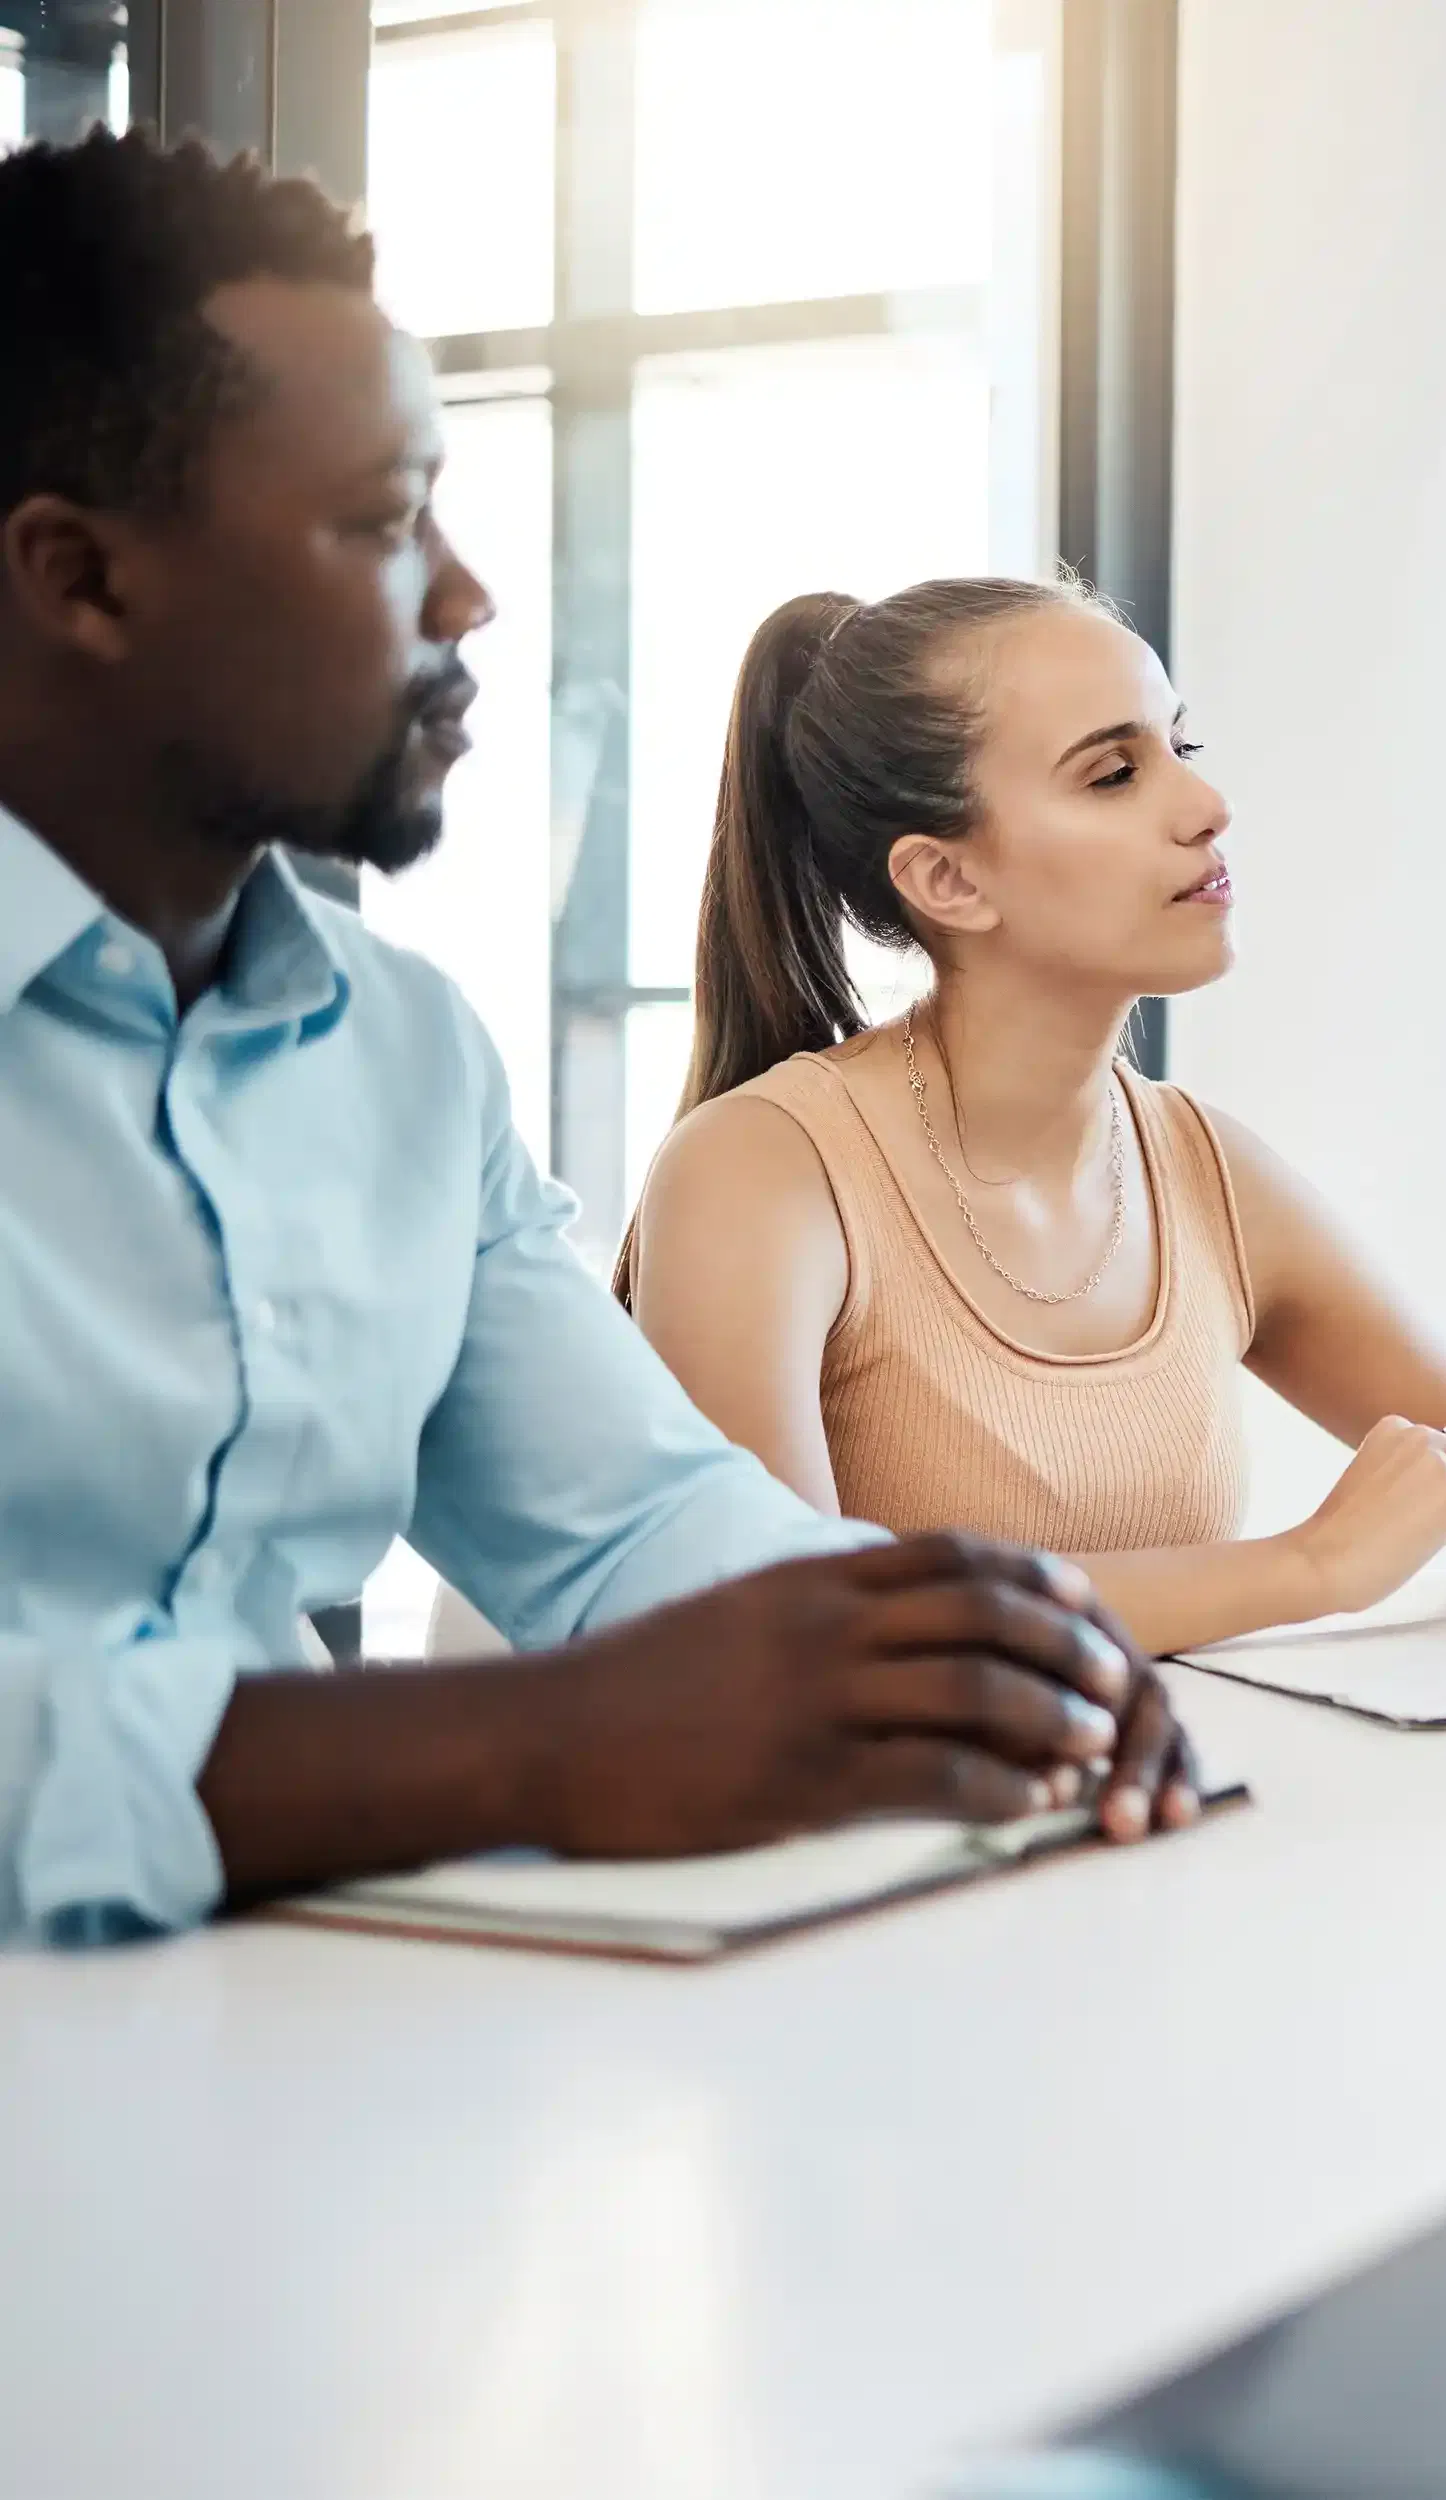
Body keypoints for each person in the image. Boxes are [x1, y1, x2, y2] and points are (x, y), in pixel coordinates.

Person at [0, 132, 1196, 1951]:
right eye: (384, 519)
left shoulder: (396, 1052)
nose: (468, 593)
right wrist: (526, 1748)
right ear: (82, 579)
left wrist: (962, 1659)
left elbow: (631, 1520)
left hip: (254, 2058)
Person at [617, 577, 1446, 1655]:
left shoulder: (1204, 1168)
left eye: (1180, 748)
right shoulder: (757, 1171)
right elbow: (790, 1622)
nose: (1206, 807)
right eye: (1113, 773)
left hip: (1191, 1806)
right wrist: (1310, 1565)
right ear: (947, 878)